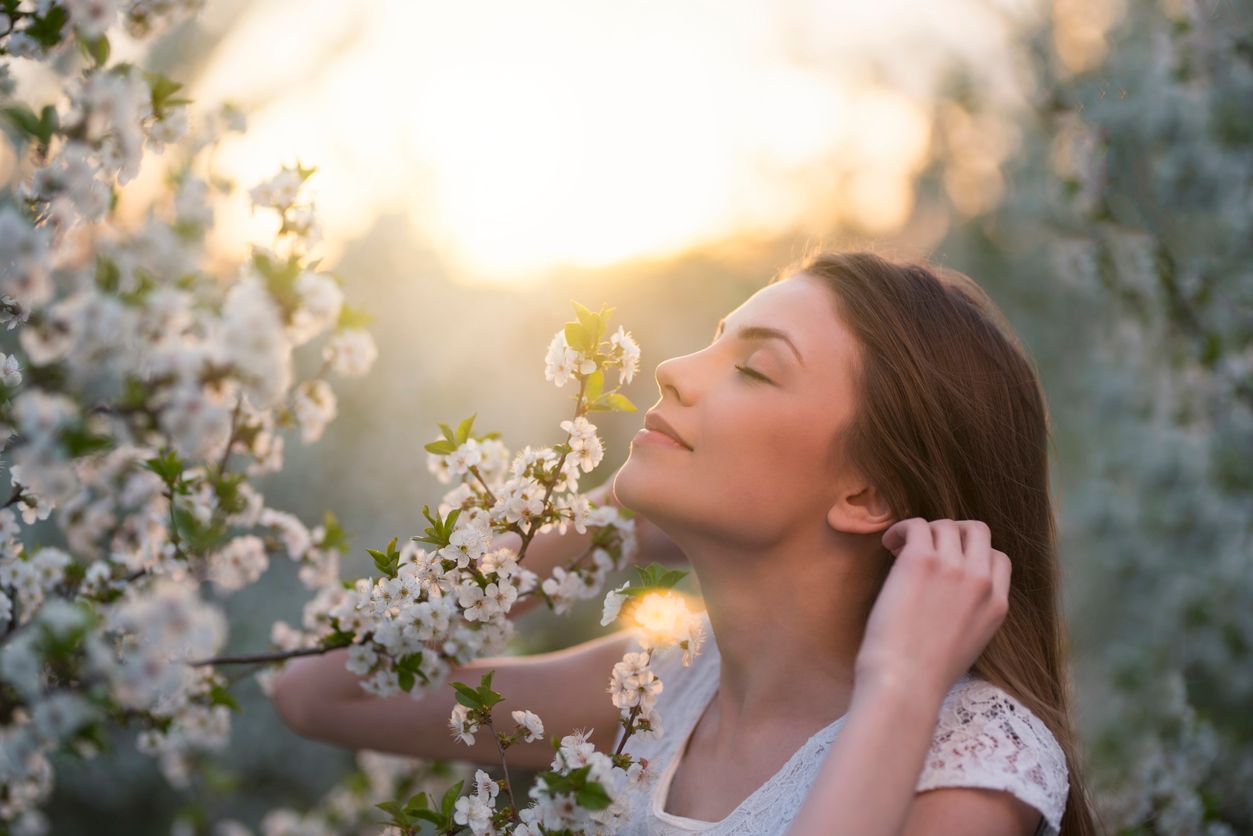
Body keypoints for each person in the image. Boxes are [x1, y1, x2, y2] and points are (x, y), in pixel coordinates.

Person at [271, 248, 1099, 835]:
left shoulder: (966, 760)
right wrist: (600, 524)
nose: (672, 368)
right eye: (713, 340)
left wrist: (901, 683)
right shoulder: (660, 690)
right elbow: (318, 693)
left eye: (755, 368)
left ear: (866, 493)